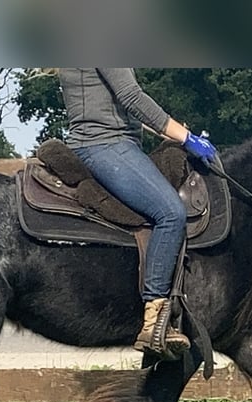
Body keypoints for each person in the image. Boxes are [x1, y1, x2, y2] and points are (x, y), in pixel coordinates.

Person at [57, 68, 218, 358]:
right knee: (170, 213)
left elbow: (125, 110)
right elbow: (131, 97)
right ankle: (155, 318)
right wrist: (187, 138)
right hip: (105, 146)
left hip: (111, 144)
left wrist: (171, 132)